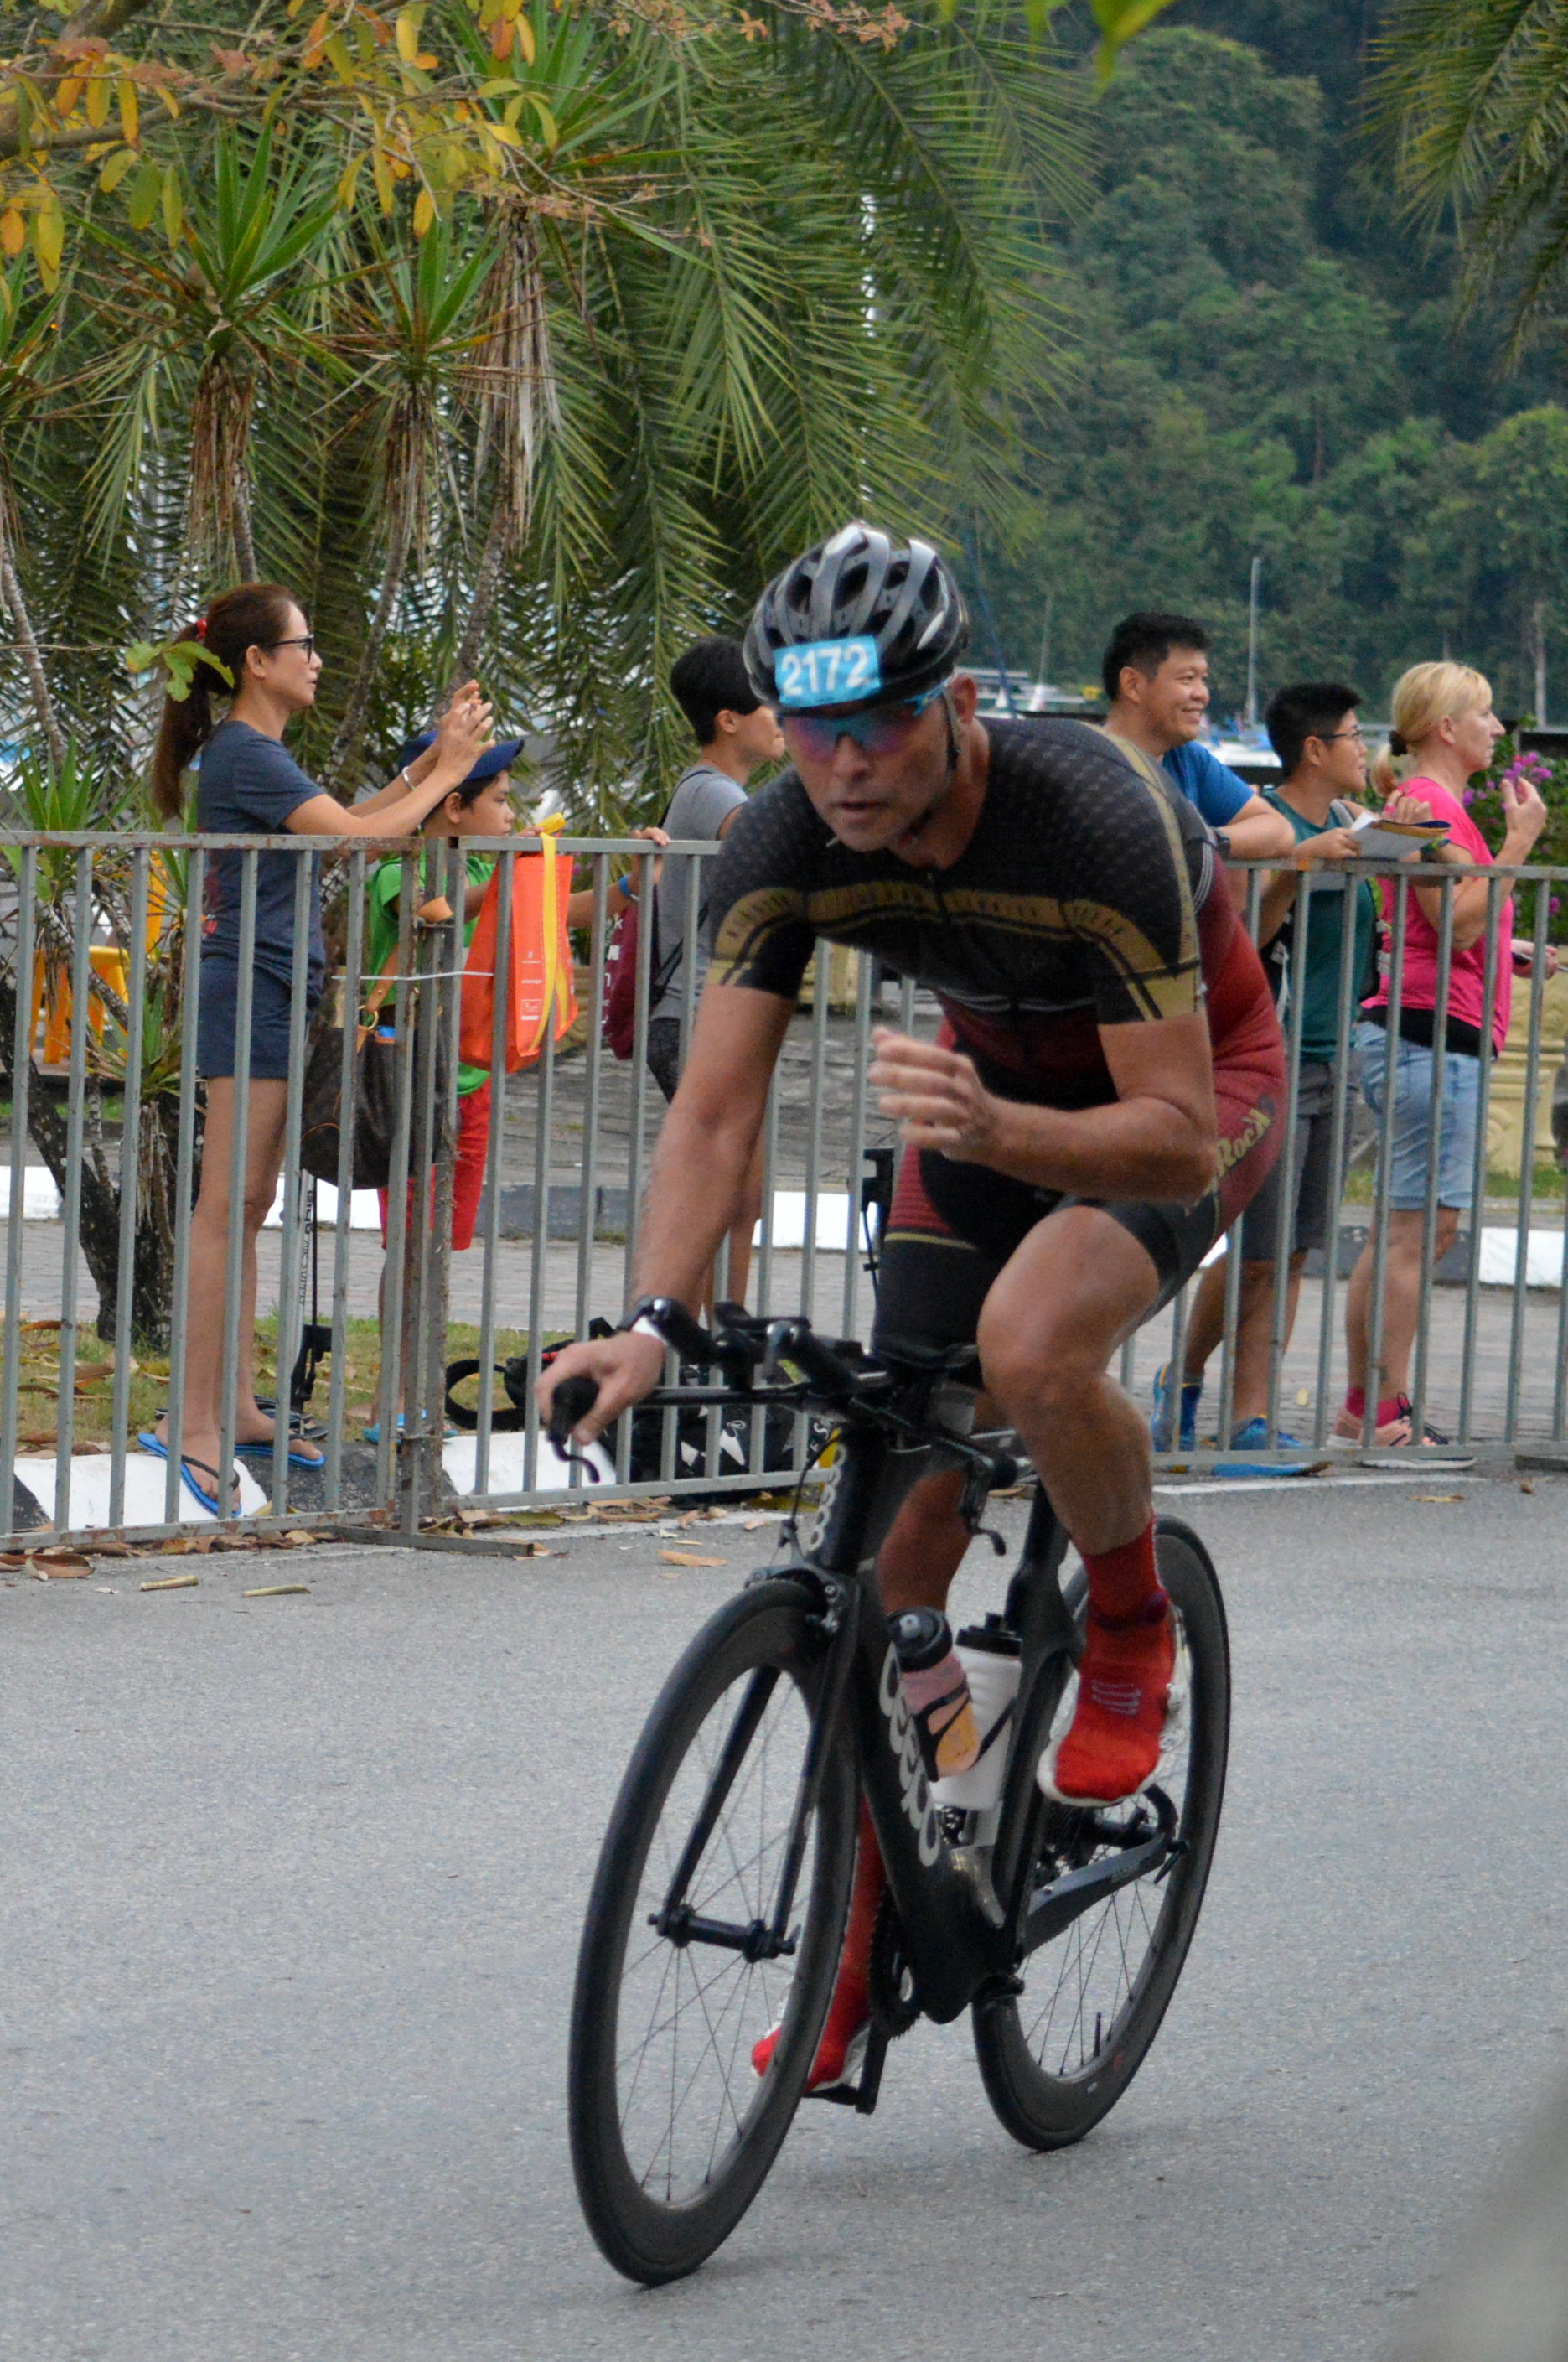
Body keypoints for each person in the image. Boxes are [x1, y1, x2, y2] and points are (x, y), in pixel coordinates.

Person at [540, 521, 1285, 2094]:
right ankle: (863, 1942)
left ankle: (1133, 1619)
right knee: (892, 1541)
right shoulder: (782, 834)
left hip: (1187, 1099)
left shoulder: (1094, 810)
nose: (846, 761)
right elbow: (711, 1114)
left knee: (1028, 1341)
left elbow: (1161, 1123)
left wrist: (1003, 1134)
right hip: (982, 1110)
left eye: (879, 720)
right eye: (812, 725)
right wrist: (653, 1320)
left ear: (955, 704)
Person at [140, 582, 493, 1515]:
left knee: (248, 1203)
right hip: (248, 993)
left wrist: (435, 769)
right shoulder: (245, 754)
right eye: (303, 644)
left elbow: (350, 825)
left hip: (273, 991)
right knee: (226, 1206)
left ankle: (233, 1405)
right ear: (257, 663)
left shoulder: (261, 756)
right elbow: (365, 832)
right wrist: (447, 768)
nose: (316, 659)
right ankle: (194, 1421)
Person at [361, 734, 668, 1437]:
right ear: (456, 807)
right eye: (499, 800)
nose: (510, 813)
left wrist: (626, 885)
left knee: (439, 1248)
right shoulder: (400, 869)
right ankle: (391, 1400)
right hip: (406, 1081)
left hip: (466, 1083)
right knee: (412, 1248)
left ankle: (415, 1396)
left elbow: (547, 915)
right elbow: (438, 911)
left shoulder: (485, 872)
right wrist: (514, 871)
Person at [1151, 682, 1379, 1469]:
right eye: (1352, 734)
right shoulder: (1266, 825)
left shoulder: (1354, 823)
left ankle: (1243, 1413)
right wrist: (1294, 865)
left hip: (1333, 1053)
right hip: (1267, 1054)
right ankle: (1197, 1393)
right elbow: (1246, 934)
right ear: (1314, 748)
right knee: (1253, 1245)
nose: (1363, 747)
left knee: (1292, 1250)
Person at [1338, 661, 1549, 1449]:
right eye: (1486, 715)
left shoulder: (1424, 804)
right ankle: (1380, 1413)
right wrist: (1519, 842)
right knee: (1419, 1233)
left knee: (1409, 1229)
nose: (1497, 729)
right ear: (1444, 728)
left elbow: (1442, 920)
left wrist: (1513, 946)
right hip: (1429, 1035)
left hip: (1427, 1029)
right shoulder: (1424, 802)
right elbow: (1454, 920)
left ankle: (1370, 1406)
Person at [645, 635, 784, 1303]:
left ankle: (706, 1360)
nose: (781, 718)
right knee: (724, 1198)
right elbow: (773, 848)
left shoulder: (714, 791)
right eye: (769, 705)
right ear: (728, 720)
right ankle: (700, 1364)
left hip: (713, 1021)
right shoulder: (710, 792)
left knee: (738, 1198)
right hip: (698, 1020)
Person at [1101, 612, 1295, 865]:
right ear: (1133, 684)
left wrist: (1203, 843)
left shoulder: (1187, 759)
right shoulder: (1089, 762)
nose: (1202, 694)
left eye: (1203, 680)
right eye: (1187, 679)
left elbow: (1279, 831)